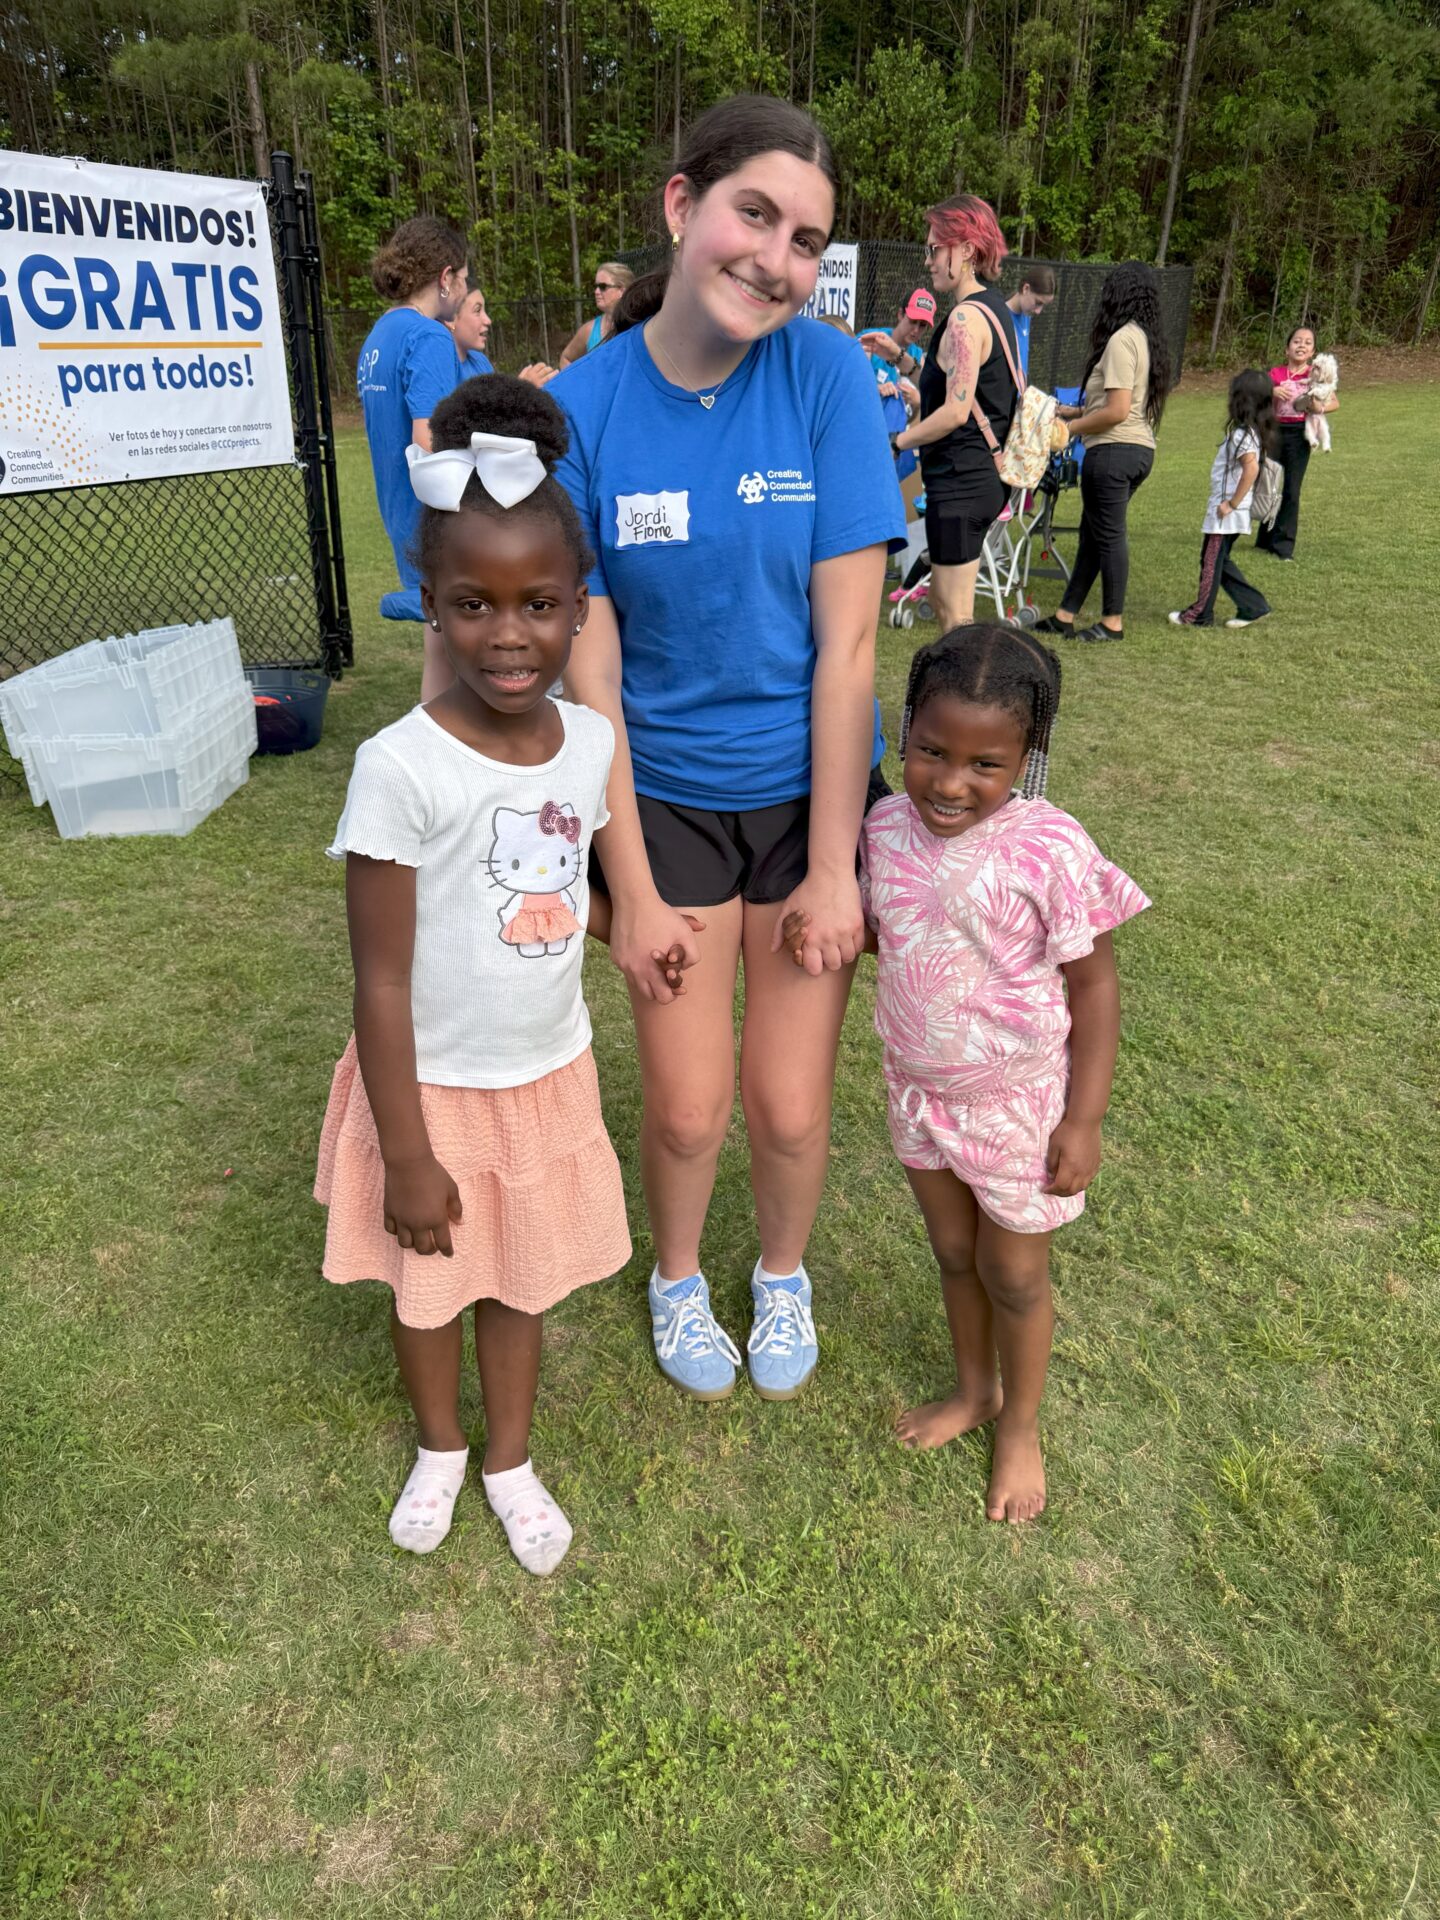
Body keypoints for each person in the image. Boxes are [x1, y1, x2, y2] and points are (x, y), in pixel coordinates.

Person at [549, 95, 905, 1404]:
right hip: (665, 808)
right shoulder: (581, 409)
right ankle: (679, 1276)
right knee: (692, 1109)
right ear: (680, 204)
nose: (776, 259)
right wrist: (630, 887)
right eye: (754, 214)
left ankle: (783, 1272)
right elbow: (589, 674)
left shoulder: (826, 378)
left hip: (809, 805)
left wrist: (836, 870)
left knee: (792, 1106)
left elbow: (850, 651)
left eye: (806, 239)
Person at [314, 375, 633, 1577]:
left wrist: (624, 930)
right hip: (433, 1088)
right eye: (474, 605)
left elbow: (553, 883)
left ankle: (508, 1458)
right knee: (431, 1279)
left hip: (543, 1075)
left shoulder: (590, 743)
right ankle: (440, 1445)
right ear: (434, 608)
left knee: (521, 1279)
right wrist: (405, 1151)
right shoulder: (400, 768)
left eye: (539, 605)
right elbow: (381, 980)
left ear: (578, 610)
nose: (509, 634)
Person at [784, 624, 1148, 1520]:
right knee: (954, 1254)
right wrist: (828, 927)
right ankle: (976, 1389)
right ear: (905, 731)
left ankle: (1019, 1426)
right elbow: (902, 930)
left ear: (1028, 755)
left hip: (1017, 1108)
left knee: (1014, 1275)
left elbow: (1095, 988)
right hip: (918, 1094)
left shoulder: (1051, 848)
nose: (950, 783)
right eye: (931, 752)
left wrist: (1084, 1119)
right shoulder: (881, 828)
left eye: (985, 764)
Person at [893, 195, 1022, 631]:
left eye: (935, 249)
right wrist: (902, 360)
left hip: (962, 482)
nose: (928, 260)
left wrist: (898, 442)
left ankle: (973, 677)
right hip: (970, 479)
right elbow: (955, 387)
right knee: (944, 605)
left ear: (966, 249)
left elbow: (955, 410)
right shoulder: (993, 308)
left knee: (955, 618)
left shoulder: (966, 320)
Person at [356, 217, 472, 695]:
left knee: (440, 650)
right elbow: (430, 441)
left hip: (402, 516)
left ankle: (438, 733)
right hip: (437, 521)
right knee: (467, 649)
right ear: (445, 277)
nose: (463, 292)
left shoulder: (378, 336)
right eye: (463, 279)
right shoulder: (429, 336)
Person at [1034, 263, 1173, 644]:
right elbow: (1116, 401)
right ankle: (1064, 616)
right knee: (1094, 534)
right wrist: (1072, 411)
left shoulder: (1121, 340)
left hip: (1114, 451)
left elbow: (1117, 411)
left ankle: (1112, 622)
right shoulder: (1143, 338)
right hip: (1135, 449)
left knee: (1108, 535)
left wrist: (1069, 429)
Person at [1167, 369, 1275, 629]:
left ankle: (1200, 614)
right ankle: (1254, 606)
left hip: (1227, 513)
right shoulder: (1250, 432)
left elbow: (1251, 469)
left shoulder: (1242, 435)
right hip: (1230, 510)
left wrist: (1231, 504)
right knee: (1219, 560)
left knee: (1211, 562)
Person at [1255, 325, 1337, 561]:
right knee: (1269, 483)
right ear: (1287, 349)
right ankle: (1264, 538)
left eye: (1308, 342)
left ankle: (1283, 546)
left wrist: (1318, 407)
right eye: (1297, 341)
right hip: (1274, 432)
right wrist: (1272, 391)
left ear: (1312, 352)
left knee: (1291, 489)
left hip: (1300, 435)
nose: (1302, 345)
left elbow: (1334, 402)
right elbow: (1255, 395)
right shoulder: (1275, 373)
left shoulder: (1315, 374)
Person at [559, 262, 636, 367]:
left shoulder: (640, 326)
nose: (596, 292)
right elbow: (566, 358)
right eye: (596, 286)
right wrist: (580, 378)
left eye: (603, 286)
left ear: (621, 290)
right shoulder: (589, 331)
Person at [1005, 264, 1056, 379]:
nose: (1038, 311)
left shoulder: (1026, 315)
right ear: (1026, 289)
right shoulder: (1000, 318)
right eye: (1038, 303)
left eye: (1043, 305)